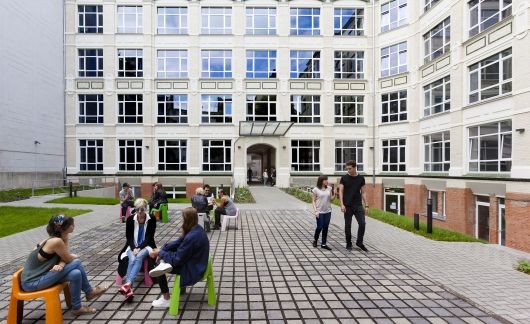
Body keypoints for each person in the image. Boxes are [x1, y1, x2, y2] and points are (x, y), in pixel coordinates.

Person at [20, 215, 109, 316]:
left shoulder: (60, 238)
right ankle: (89, 291)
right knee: (77, 262)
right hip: (32, 282)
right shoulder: (55, 241)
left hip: (43, 275)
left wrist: (61, 264)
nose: (74, 225)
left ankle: (77, 308)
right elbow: (69, 259)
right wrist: (72, 256)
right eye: (72, 224)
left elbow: (64, 259)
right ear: (64, 228)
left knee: (75, 273)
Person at [148, 207, 210, 308]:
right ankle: (178, 287)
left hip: (193, 268)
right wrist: (162, 250)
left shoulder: (191, 237)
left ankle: (166, 299)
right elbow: (178, 242)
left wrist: (161, 253)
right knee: (166, 255)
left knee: (159, 268)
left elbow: (177, 259)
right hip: (197, 261)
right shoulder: (196, 228)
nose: (181, 220)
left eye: (182, 218)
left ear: (187, 219)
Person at [117, 198, 157, 300]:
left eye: (142, 209)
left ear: (146, 209)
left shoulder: (152, 219)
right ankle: (128, 289)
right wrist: (134, 247)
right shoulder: (130, 219)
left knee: (138, 256)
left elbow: (149, 237)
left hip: (146, 246)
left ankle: (128, 284)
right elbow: (129, 237)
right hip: (132, 246)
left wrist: (139, 248)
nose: (140, 212)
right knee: (133, 259)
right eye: (138, 209)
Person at [339, 160, 368, 252]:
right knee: (348, 225)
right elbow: (341, 192)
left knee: (362, 223)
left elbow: (363, 192)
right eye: (347, 168)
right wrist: (341, 204)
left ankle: (359, 242)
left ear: (355, 167)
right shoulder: (344, 178)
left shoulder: (361, 178)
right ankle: (348, 243)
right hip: (347, 205)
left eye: (350, 168)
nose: (348, 170)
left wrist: (366, 205)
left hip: (358, 205)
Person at [311, 175, 335, 250]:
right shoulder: (315, 189)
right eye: (326, 180)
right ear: (321, 181)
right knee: (319, 227)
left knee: (325, 227)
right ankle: (315, 239)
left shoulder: (329, 188)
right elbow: (313, 201)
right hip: (319, 212)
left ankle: (323, 244)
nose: (327, 181)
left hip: (328, 211)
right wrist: (316, 211)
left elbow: (331, 199)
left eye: (327, 180)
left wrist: (335, 193)